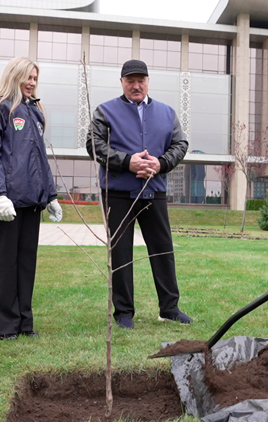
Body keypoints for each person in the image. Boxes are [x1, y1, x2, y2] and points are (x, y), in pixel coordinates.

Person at [86, 59, 191, 329]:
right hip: (119, 193)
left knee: (162, 251)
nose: (136, 85)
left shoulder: (167, 113)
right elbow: (93, 145)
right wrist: (126, 161)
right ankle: (123, 313)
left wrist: (161, 163)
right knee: (121, 253)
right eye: (130, 80)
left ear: (148, 81)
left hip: (153, 191)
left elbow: (180, 144)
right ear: (121, 82)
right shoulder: (105, 111)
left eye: (140, 80)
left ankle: (169, 308)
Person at [0, 57, 63, 341]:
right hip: (8, 203)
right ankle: (6, 326)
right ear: (14, 76)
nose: (32, 82)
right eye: (28, 77)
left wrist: (50, 195)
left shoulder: (35, 111)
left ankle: (25, 323)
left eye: (35, 78)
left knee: (27, 263)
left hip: (32, 201)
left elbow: (40, 158)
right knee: (6, 264)